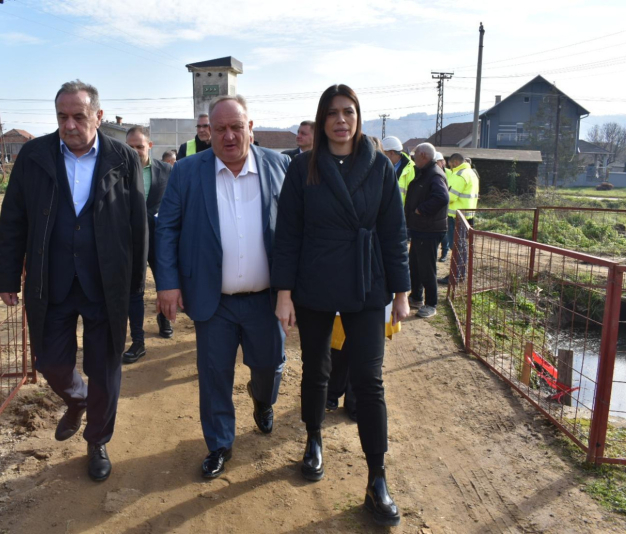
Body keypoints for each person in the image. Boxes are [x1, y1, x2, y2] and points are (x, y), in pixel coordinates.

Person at [272, 84, 411, 527]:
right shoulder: (304, 167)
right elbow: (288, 233)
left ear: (358, 117)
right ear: (322, 119)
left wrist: (402, 292)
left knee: (369, 381)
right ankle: (314, 439)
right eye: (332, 113)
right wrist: (283, 292)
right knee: (316, 369)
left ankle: (377, 478)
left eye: (348, 112)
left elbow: (393, 231)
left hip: (366, 283)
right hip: (314, 280)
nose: (340, 120)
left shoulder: (379, 166)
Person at [0, 80, 147, 482]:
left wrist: (135, 285)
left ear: (98, 115)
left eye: (79, 116)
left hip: (105, 283)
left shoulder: (122, 158)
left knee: (106, 368)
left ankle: (97, 441)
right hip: (51, 281)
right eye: (62, 116)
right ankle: (78, 400)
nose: (70, 125)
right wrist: (7, 275)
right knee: (50, 362)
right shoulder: (34, 156)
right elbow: (13, 219)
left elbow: (137, 223)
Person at [156, 95, 288, 479]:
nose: (229, 136)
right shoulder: (187, 171)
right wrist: (168, 283)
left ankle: (262, 400)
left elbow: (296, 230)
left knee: (268, 366)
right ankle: (219, 444)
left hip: (266, 300)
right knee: (214, 374)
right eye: (220, 129)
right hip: (213, 299)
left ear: (251, 128)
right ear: (208, 133)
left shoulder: (279, 166)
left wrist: (294, 288)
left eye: (236, 127)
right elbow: (167, 229)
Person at [123, 125, 173, 364]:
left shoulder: (167, 171)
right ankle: (138, 341)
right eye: (130, 147)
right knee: (135, 289)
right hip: (130, 239)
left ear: (150, 146)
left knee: (164, 281)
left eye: (139, 146)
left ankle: (164, 318)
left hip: (158, 238)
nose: (134, 151)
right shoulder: (118, 171)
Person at [405, 143, 449, 318]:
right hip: (420, 228)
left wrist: (420, 210)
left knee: (427, 268)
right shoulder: (425, 173)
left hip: (429, 230)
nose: (413, 157)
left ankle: (431, 304)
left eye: (415, 154)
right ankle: (416, 297)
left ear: (423, 155)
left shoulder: (434, 175)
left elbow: (442, 197)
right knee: (415, 265)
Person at [438, 152, 479, 285]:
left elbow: (450, 196)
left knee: (456, 247)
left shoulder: (460, 175)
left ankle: (455, 275)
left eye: (450, 165)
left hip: (455, 216)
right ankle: (460, 274)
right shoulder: (472, 173)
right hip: (467, 215)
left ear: (455, 162)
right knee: (461, 246)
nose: (449, 167)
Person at [381, 136, 414, 205]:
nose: (381, 156)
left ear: (392, 153)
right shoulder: (382, 166)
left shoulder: (412, 169)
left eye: (384, 153)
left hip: (402, 209)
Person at [434, 151, 450, 262]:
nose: (438, 164)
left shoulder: (449, 173)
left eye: (439, 161)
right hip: (436, 207)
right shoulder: (432, 173)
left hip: (446, 207)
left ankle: (444, 253)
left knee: (444, 233)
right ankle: (434, 254)